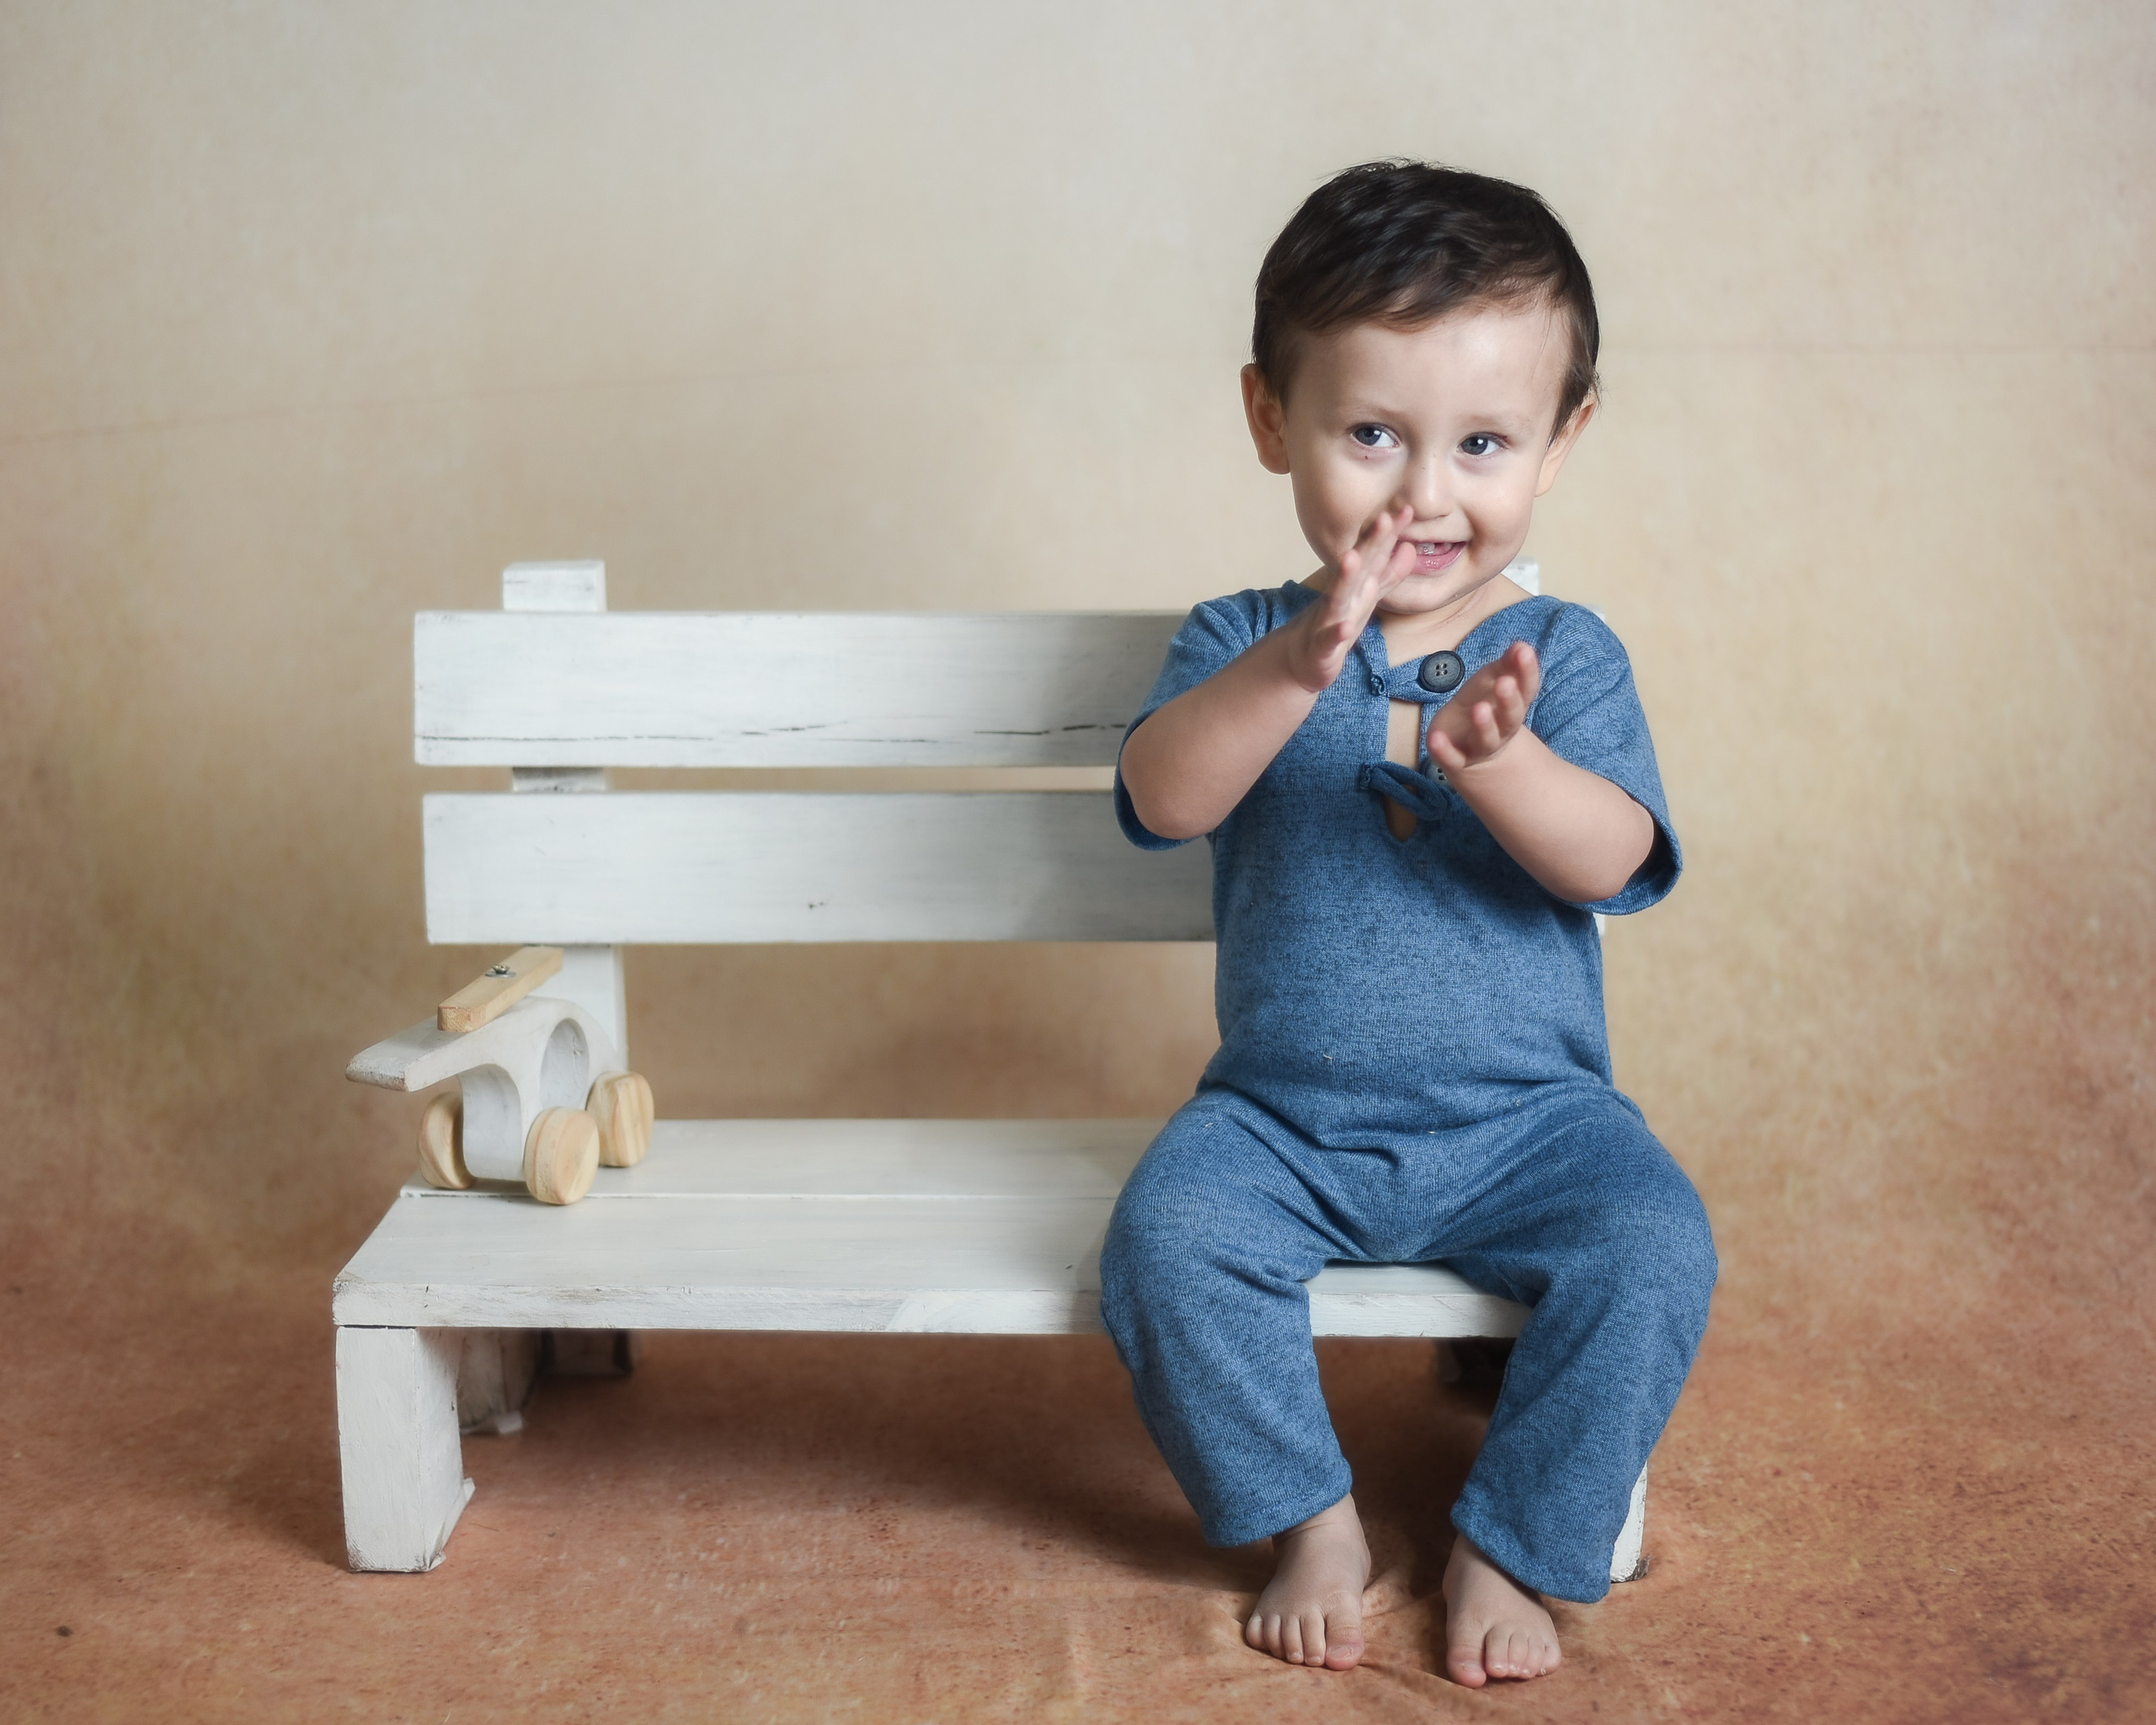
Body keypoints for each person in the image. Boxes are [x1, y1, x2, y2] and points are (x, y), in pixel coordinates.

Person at [1104, 161, 1716, 1686]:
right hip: (1283, 1121)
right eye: (1372, 434)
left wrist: (1510, 768)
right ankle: (1308, 1517)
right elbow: (1163, 797)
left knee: (1656, 1245)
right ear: (1272, 421)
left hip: (1529, 1123)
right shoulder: (1244, 638)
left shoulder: (1558, 653)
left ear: (1561, 444)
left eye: (1484, 443)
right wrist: (1290, 675)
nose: (1424, 495)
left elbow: (1615, 858)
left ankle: (1514, 1534)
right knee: (1165, 1242)